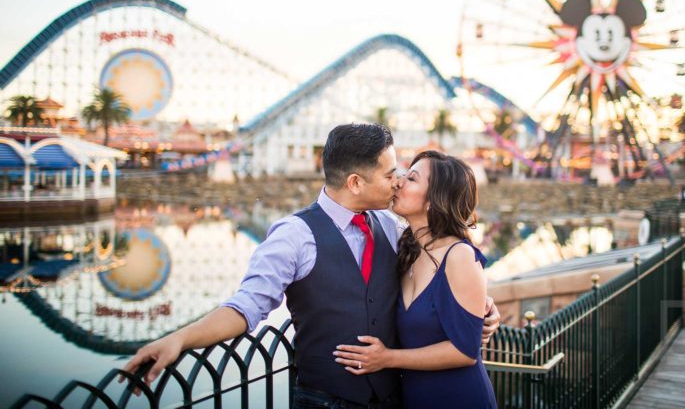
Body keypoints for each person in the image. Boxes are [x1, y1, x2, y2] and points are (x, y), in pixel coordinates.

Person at [121, 124, 500, 408]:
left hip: (394, 396)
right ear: (355, 182)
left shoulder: (391, 226)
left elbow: (446, 264)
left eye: (403, 174)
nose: (398, 181)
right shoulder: (294, 235)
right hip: (325, 401)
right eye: (390, 174)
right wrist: (180, 338)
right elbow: (247, 304)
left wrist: (482, 307)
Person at [334, 151, 497, 408]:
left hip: (459, 398)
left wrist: (387, 358)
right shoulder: (407, 250)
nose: (398, 182)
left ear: (434, 199)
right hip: (414, 398)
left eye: (411, 178)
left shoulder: (459, 256)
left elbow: (465, 351)